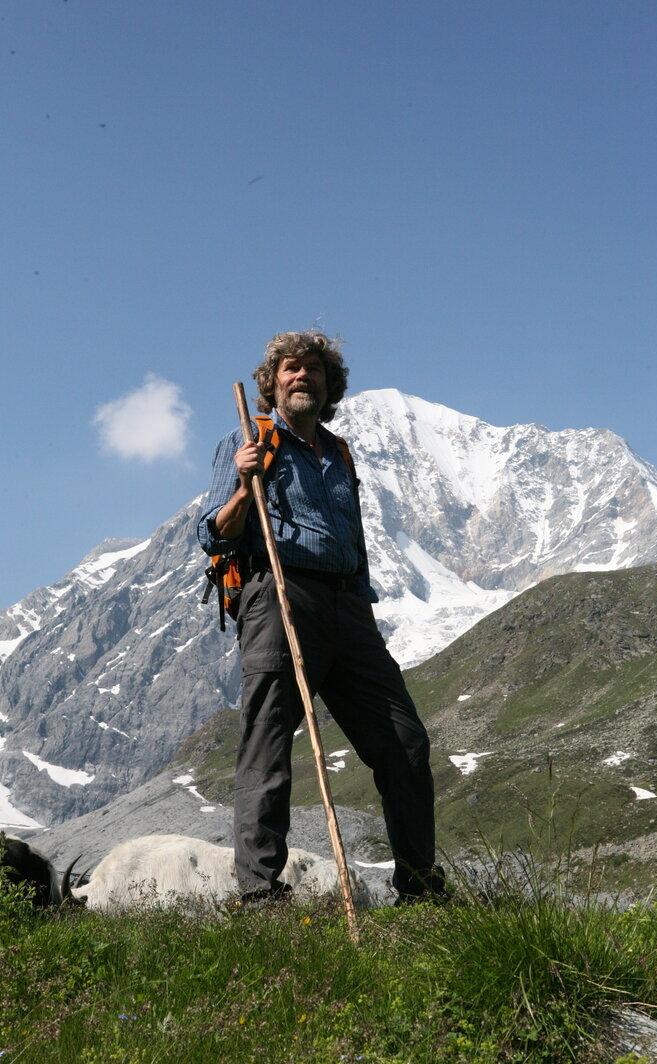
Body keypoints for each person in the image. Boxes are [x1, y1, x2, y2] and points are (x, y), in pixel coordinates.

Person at [197, 331, 445, 905]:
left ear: (330, 384)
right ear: (271, 382)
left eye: (313, 369)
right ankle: (260, 894)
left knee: (404, 743)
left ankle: (419, 887)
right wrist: (242, 484)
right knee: (268, 742)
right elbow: (212, 533)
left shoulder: (339, 455)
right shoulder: (250, 440)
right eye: (289, 368)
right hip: (280, 593)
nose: (301, 375)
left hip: (347, 608)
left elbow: (352, 539)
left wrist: (360, 607)